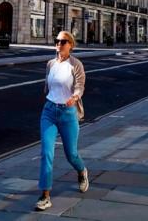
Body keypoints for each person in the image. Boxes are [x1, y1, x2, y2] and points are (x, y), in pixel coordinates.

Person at [35, 31, 89, 211]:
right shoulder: (50, 64)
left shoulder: (76, 64)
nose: (59, 44)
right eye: (57, 41)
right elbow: (47, 86)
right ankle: (45, 195)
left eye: (63, 41)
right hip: (49, 111)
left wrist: (74, 97)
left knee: (71, 154)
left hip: (68, 113)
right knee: (46, 152)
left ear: (70, 45)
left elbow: (80, 85)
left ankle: (81, 171)